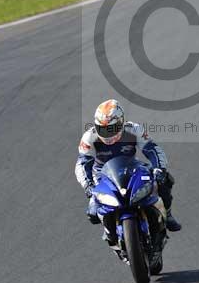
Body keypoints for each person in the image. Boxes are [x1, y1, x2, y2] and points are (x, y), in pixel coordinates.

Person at [75, 99, 181, 236]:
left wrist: (159, 168)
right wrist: (88, 185)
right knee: (93, 213)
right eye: (102, 129)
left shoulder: (134, 129)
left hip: (132, 169)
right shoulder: (89, 137)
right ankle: (110, 234)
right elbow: (83, 163)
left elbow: (152, 149)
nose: (106, 133)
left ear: (121, 122)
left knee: (164, 180)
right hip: (102, 176)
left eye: (111, 129)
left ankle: (167, 213)